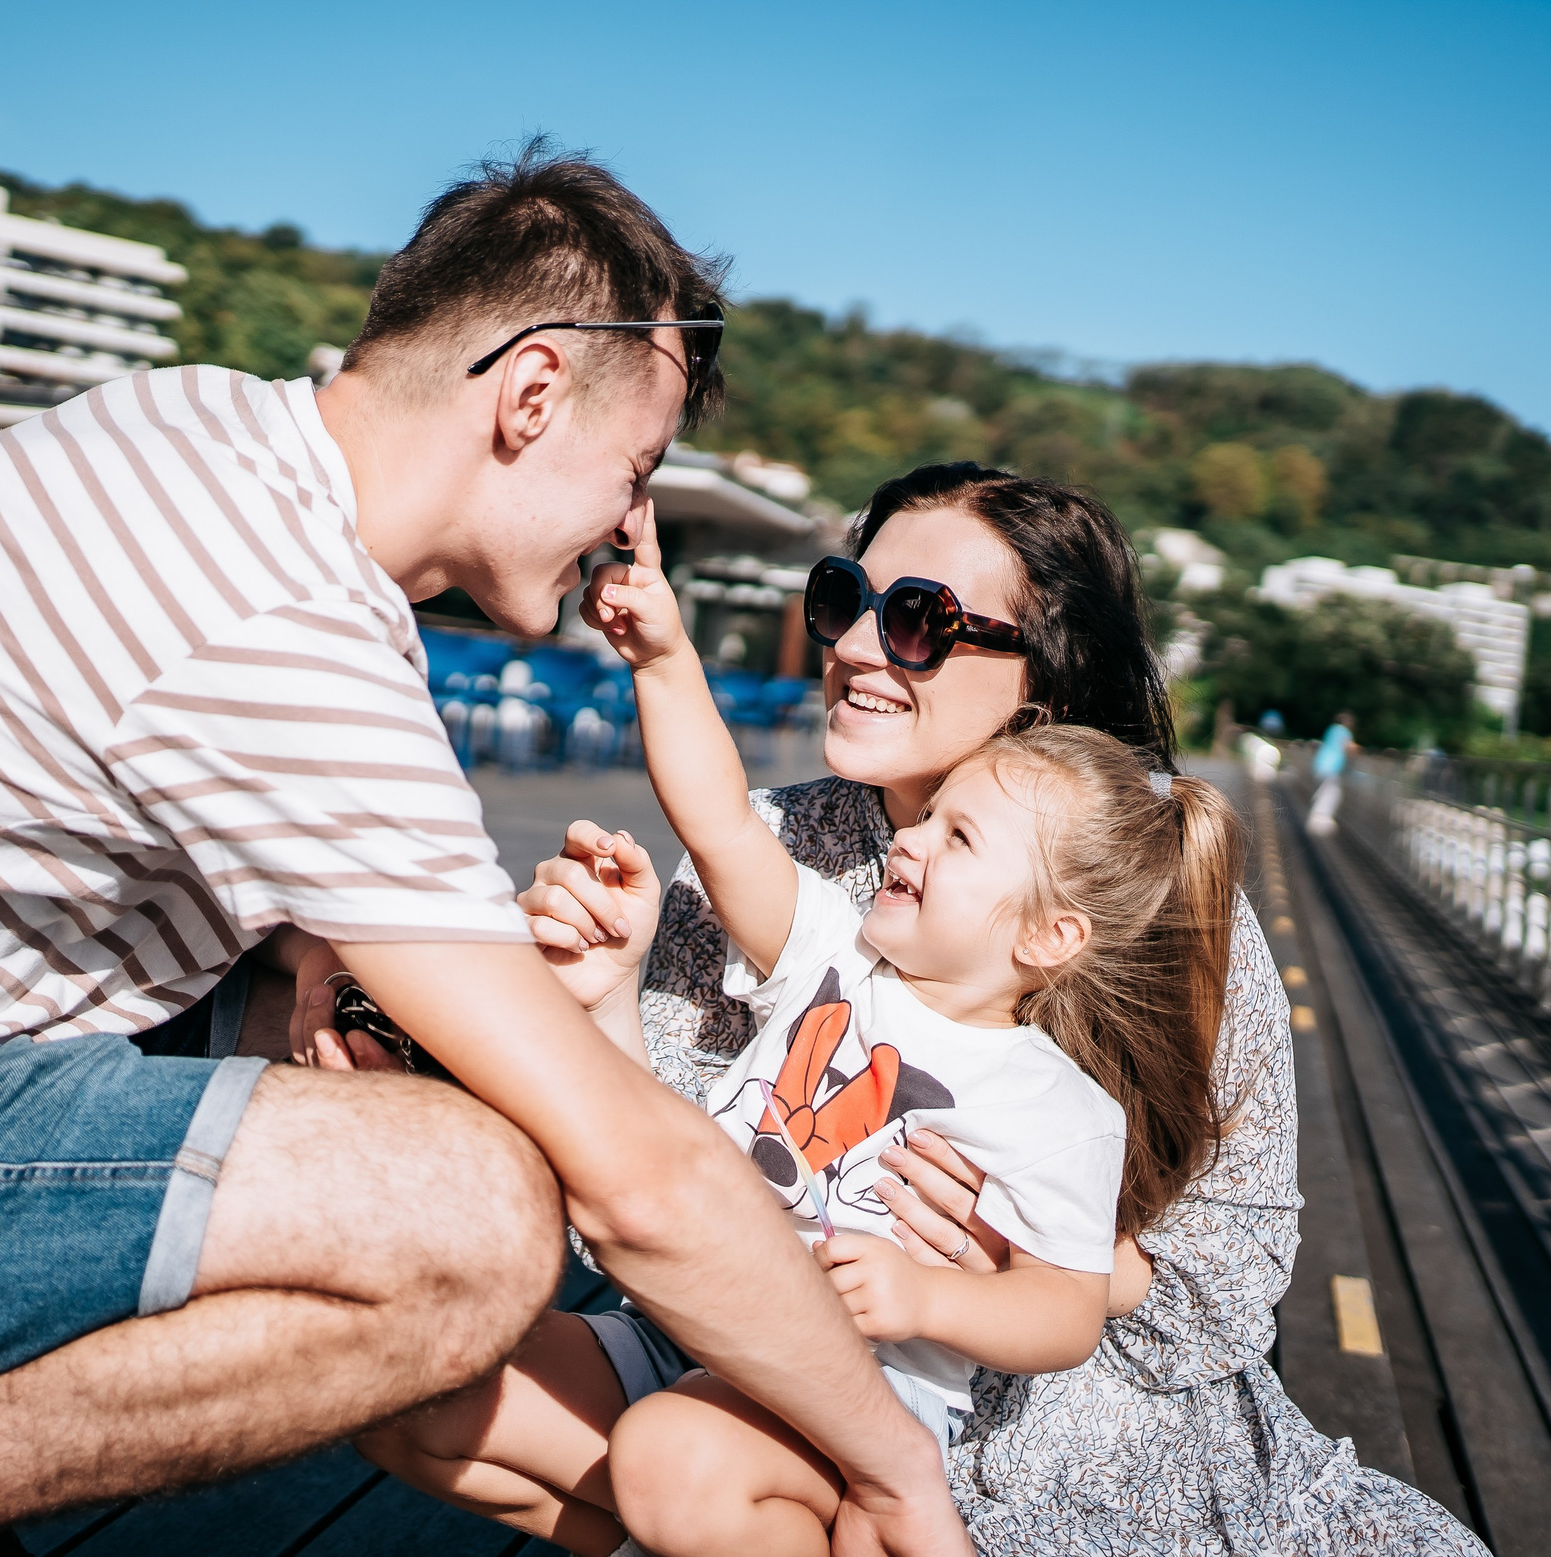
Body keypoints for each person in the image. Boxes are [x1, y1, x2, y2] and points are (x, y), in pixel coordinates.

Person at [0, 148, 969, 1557]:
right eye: (632, 464)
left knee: (386, 1046)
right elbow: (636, 1175)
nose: (629, 524)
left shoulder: (208, 436)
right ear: (526, 395)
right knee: (467, 1212)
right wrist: (902, 1472)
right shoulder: (277, 614)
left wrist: (316, 957)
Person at [512, 464, 1486, 1553]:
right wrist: (661, 655)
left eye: (921, 620)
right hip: (737, 1334)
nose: (858, 646)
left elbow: (1201, 1268)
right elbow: (710, 837)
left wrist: (988, 1257)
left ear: (1045, 688)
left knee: (700, 1473)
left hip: (1035, 1409)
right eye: (843, 599)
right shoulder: (831, 912)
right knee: (477, 1397)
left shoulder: (1139, 911)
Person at [361, 506, 1244, 1555]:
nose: (911, 842)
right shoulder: (834, 950)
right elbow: (720, 819)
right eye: (929, 819)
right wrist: (661, 654)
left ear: (1051, 936)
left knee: (674, 1461)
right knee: (411, 1381)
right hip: (684, 1328)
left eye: (959, 838)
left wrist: (927, 1298)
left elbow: (1063, 1310)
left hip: (853, 1397)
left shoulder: (1057, 1107)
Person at [1309, 711, 1356, 835]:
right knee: (1331, 793)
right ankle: (1320, 819)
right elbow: (1349, 747)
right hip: (1332, 766)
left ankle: (1316, 818)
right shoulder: (1344, 732)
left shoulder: (1331, 729)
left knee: (1323, 791)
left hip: (1320, 764)